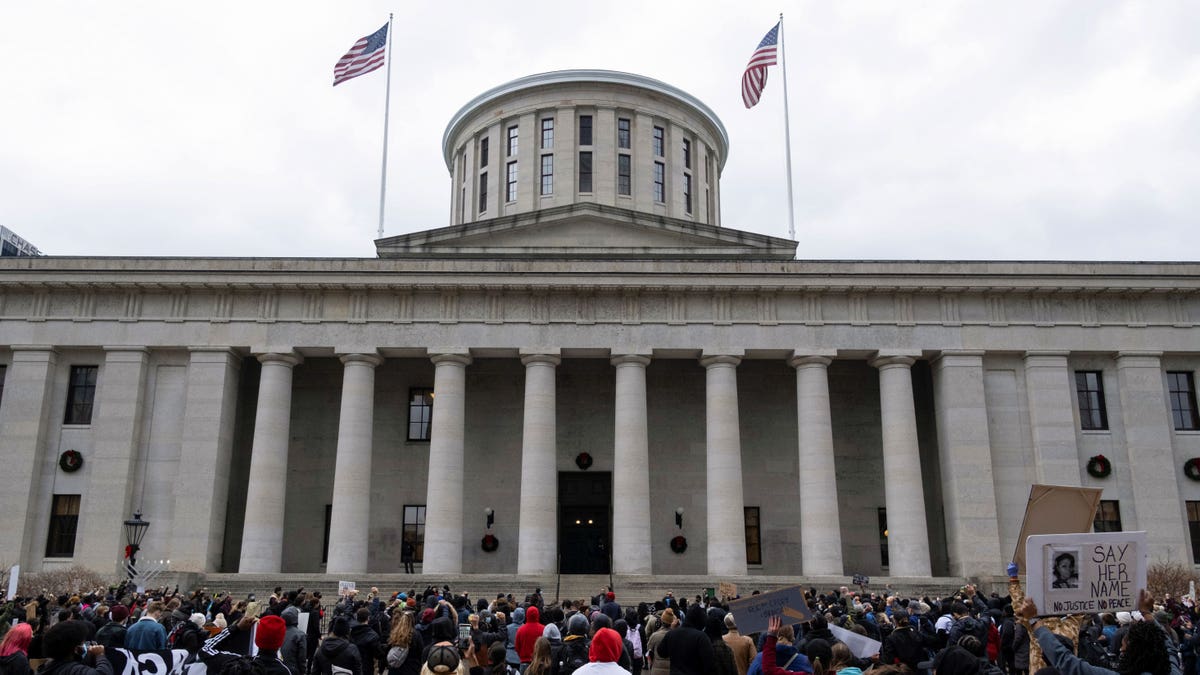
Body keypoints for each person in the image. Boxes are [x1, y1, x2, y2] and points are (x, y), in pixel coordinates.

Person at [1016, 590, 1180, 675]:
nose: (1121, 650)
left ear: (1136, 652)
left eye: (1125, 646)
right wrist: (1146, 612)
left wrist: (1034, 621)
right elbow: (1166, 644)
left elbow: (1066, 662)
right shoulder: (1173, 669)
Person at [200, 615, 293, 675]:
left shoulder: (239, 664)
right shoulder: (286, 671)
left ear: (257, 640)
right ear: (280, 642)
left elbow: (205, 649)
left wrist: (236, 628)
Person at [37, 620, 111, 675]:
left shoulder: (48, 666)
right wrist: (100, 655)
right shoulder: (72, 670)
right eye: (83, 643)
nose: (86, 645)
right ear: (77, 649)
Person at [280, 606, 308, 675]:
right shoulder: (300, 635)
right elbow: (302, 657)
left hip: (280, 668)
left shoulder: (279, 632)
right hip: (294, 669)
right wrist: (303, 671)